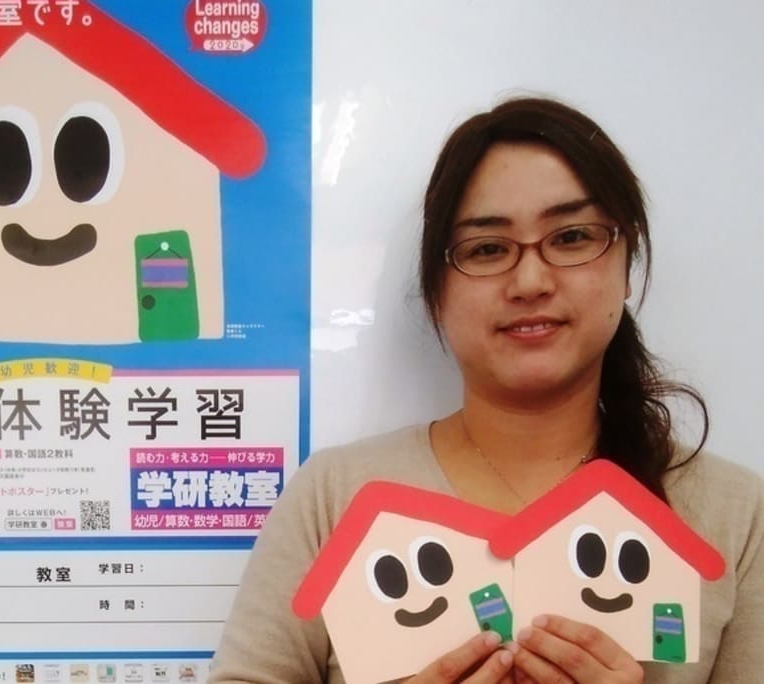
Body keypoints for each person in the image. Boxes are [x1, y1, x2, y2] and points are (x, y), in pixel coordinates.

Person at [208, 98, 764, 683]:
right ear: (437, 292)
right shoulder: (333, 495)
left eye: (572, 237)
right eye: (487, 248)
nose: (530, 281)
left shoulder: (736, 513)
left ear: (626, 264)